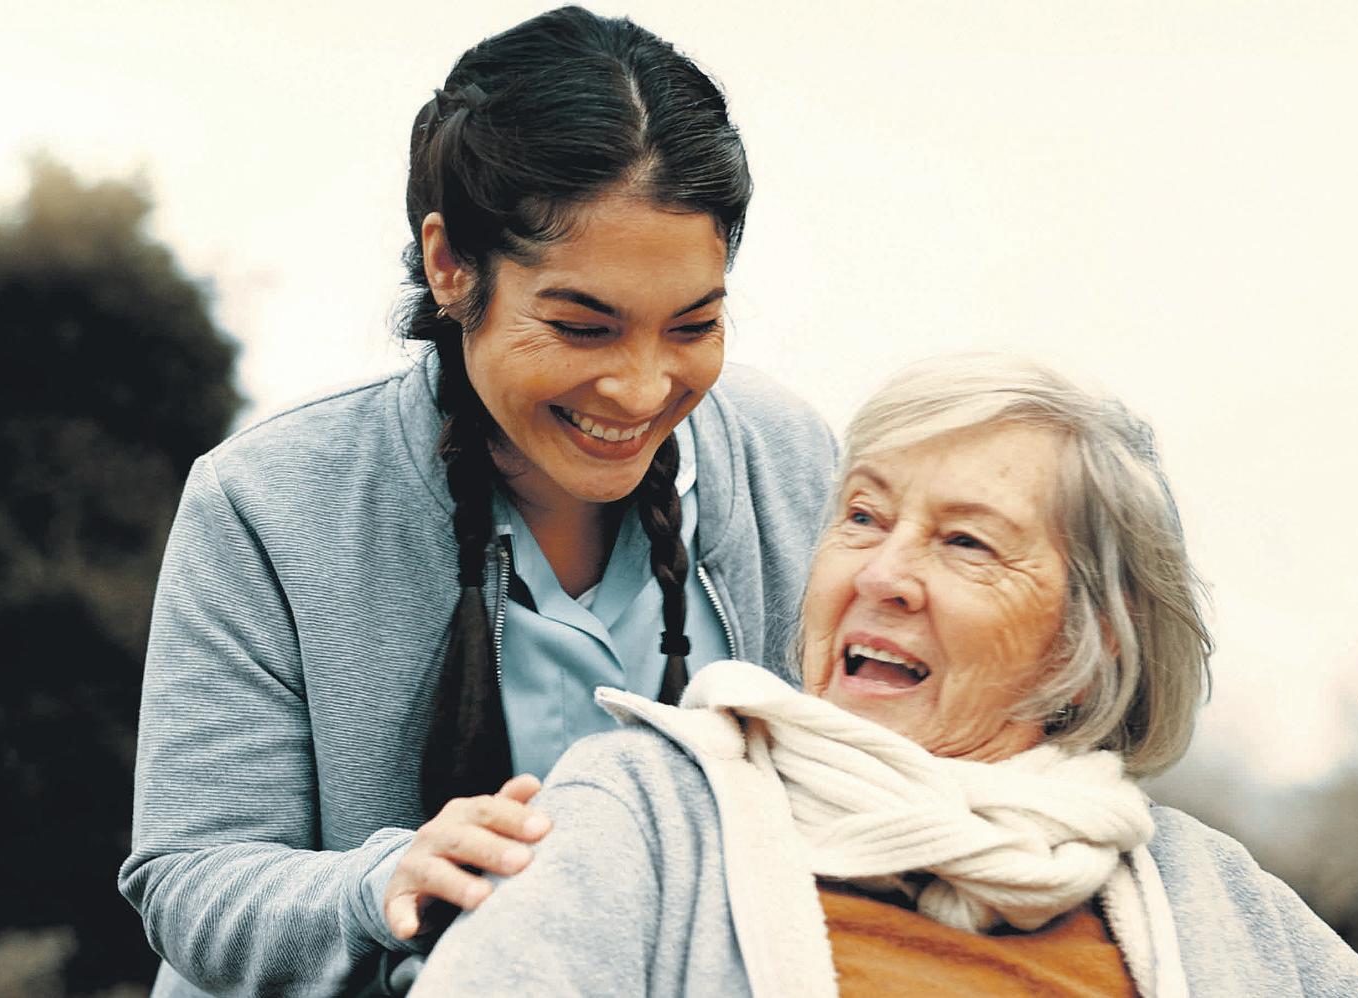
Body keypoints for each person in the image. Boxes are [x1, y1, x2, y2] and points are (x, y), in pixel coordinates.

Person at [116, 8, 837, 995]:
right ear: (451, 265)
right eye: (583, 327)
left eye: (693, 325)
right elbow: (189, 879)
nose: (641, 389)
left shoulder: (788, 457)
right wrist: (380, 885)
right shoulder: (265, 501)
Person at [410, 354, 1358, 997]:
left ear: (1092, 639)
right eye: (863, 516)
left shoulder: (1205, 892)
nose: (882, 574)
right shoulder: (645, 818)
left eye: (966, 542)